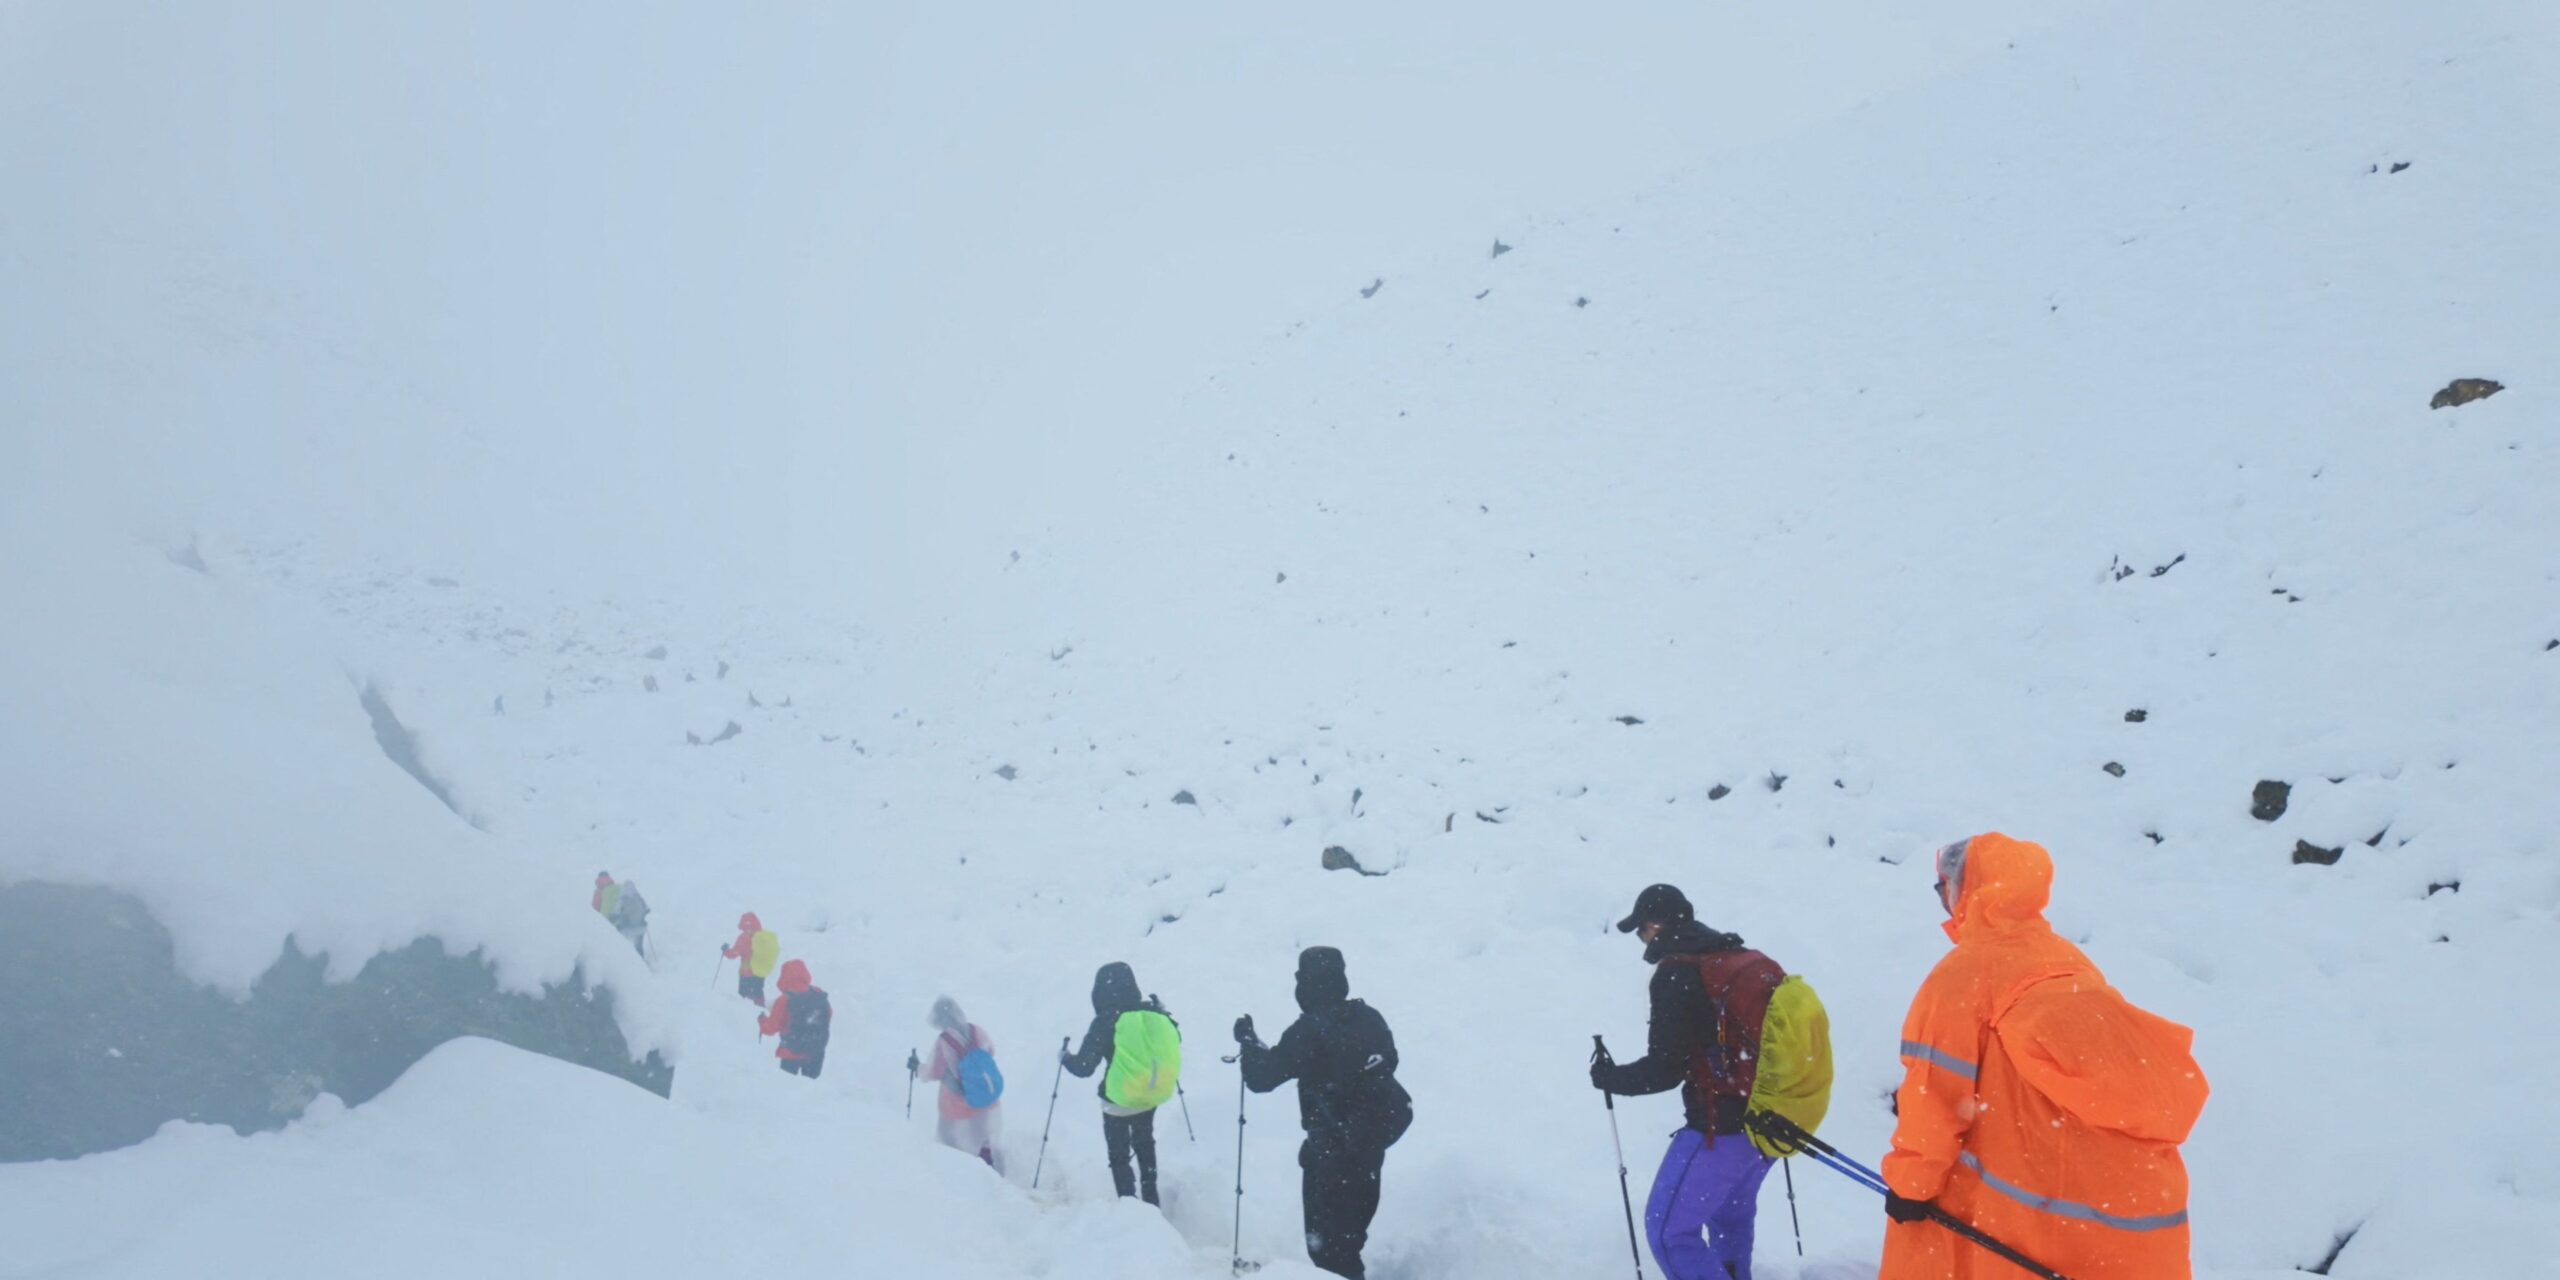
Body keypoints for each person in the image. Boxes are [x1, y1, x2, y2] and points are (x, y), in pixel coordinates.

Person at [1880, 834, 2208, 1280]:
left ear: (1969, 888)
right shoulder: (2067, 958)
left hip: (2021, 1203)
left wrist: (1910, 1186)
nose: (1941, 897)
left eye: (1943, 886)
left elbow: (1933, 1098)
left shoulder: (1963, 976)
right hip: (2113, 1202)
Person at [1591, 884, 1789, 1280]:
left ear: (1653, 924)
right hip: (1769, 1125)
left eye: (1641, 931)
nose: (1642, 940)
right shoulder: (1736, 957)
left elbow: (1665, 1069)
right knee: (1729, 1219)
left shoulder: (1678, 972)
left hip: (1720, 1128)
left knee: (1669, 1232)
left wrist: (1610, 1079)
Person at [1235, 946, 1413, 1280]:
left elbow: (1262, 1078)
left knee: (1329, 1252)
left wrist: (1247, 1044)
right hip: (1370, 1148)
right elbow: (1389, 1060)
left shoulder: (1307, 1031)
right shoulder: (1369, 1017)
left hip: (1330, 1155)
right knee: (1349, 1243)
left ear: (1304, 984)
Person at [1061, 961, 1180, 1205]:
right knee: (1145, 1142)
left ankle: (1129, 1205)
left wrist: (1065, 1058)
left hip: (1118, 1099)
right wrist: (1163, 1012)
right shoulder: (1153, 1012)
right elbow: (1174, 1040)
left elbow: (1084, 1067)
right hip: (1150, 1094)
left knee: (1119, 1155)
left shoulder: (1107, 1020)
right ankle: (1151, 1198)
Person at [918, 996, 1005, 1171]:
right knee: (982, 1137)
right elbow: (990, 1052)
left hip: (958, 1102)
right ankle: (991, 1168)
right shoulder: (976, 1031)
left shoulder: (944, 1041)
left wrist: (918, 1068)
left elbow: (933, 1072)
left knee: (946, 1138)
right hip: (985, 1096)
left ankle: (950, 1173)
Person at [757, 959, 831, 1078]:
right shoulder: (818, 994)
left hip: (791, 1053)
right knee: (812, 1092)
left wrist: (762, 1021)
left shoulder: (784, 1000)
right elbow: (828, 1014)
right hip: (815, 1053)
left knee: (789, 1091)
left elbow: (770, 1029)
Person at [722, 912, 779, 1006]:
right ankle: (760, 1009)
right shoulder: (763, 937)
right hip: (760, 972)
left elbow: (733, 954)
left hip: (746, 974)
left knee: (745, 998)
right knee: (758, 993)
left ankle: (747, 1015)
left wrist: (725, 950)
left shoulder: (744, 938)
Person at [610, 880, 649, 956]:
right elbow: (647, 909)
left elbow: (616, 913)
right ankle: (641, 961)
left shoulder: (622, 900)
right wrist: (642, 918)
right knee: (639, 946)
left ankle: (628, 960)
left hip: (626, 928)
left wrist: (611, 917)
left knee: (625, 946)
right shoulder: (639, 898)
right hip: (640, 927)